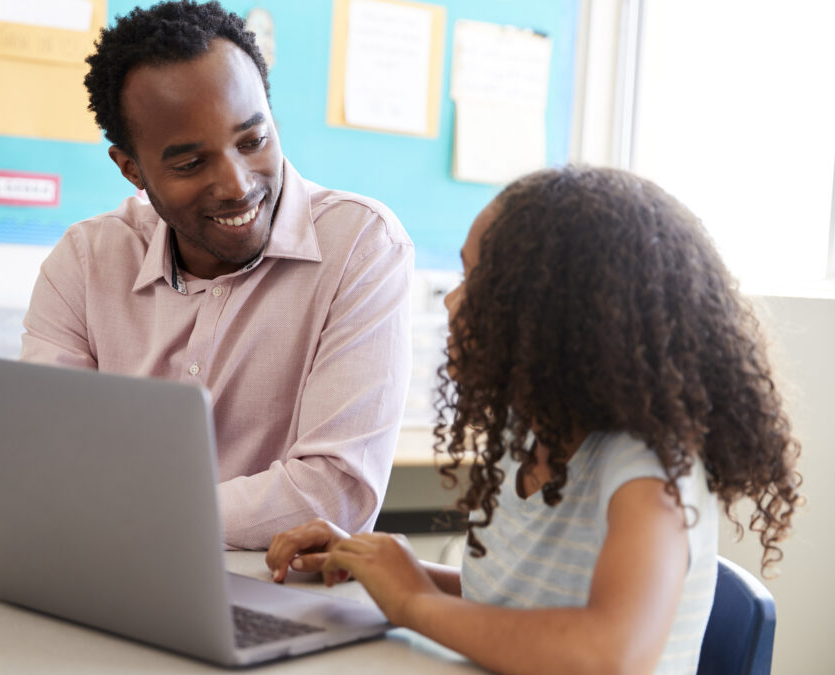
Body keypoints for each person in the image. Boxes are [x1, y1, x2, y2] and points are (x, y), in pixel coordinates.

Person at [266, 166, 802, 673]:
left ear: (560, 320)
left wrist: (413, 602)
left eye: (476, 281)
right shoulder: (525, 435)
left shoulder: (650, 470)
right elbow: (523, 611)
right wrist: (386, 565)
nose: (452, 300)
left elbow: (610, 657)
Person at [0, 1, 413, 549]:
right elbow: (13, 478)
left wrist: (101, 514)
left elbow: (334, 495)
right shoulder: (86, 260)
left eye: (253, 141)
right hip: (114, 583)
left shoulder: (361, 245)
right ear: (131, 169)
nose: (237, 184)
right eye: (191, 164)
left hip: (273, 588)